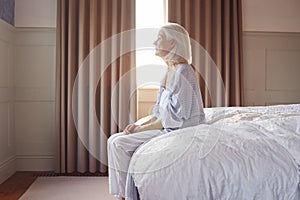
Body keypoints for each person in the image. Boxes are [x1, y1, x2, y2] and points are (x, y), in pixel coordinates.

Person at [107, 23, 205, 200]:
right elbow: (160, 112)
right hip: (169, 126)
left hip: (178, 130)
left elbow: (176, 118)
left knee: (118, 144)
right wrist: (140, 124)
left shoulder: (184, 72)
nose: (155, 42)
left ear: (173, 43)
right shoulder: (170, 70)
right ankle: (122, 193)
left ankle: (125, 196)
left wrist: (141, 129)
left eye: (159, 38)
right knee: (114, 140)